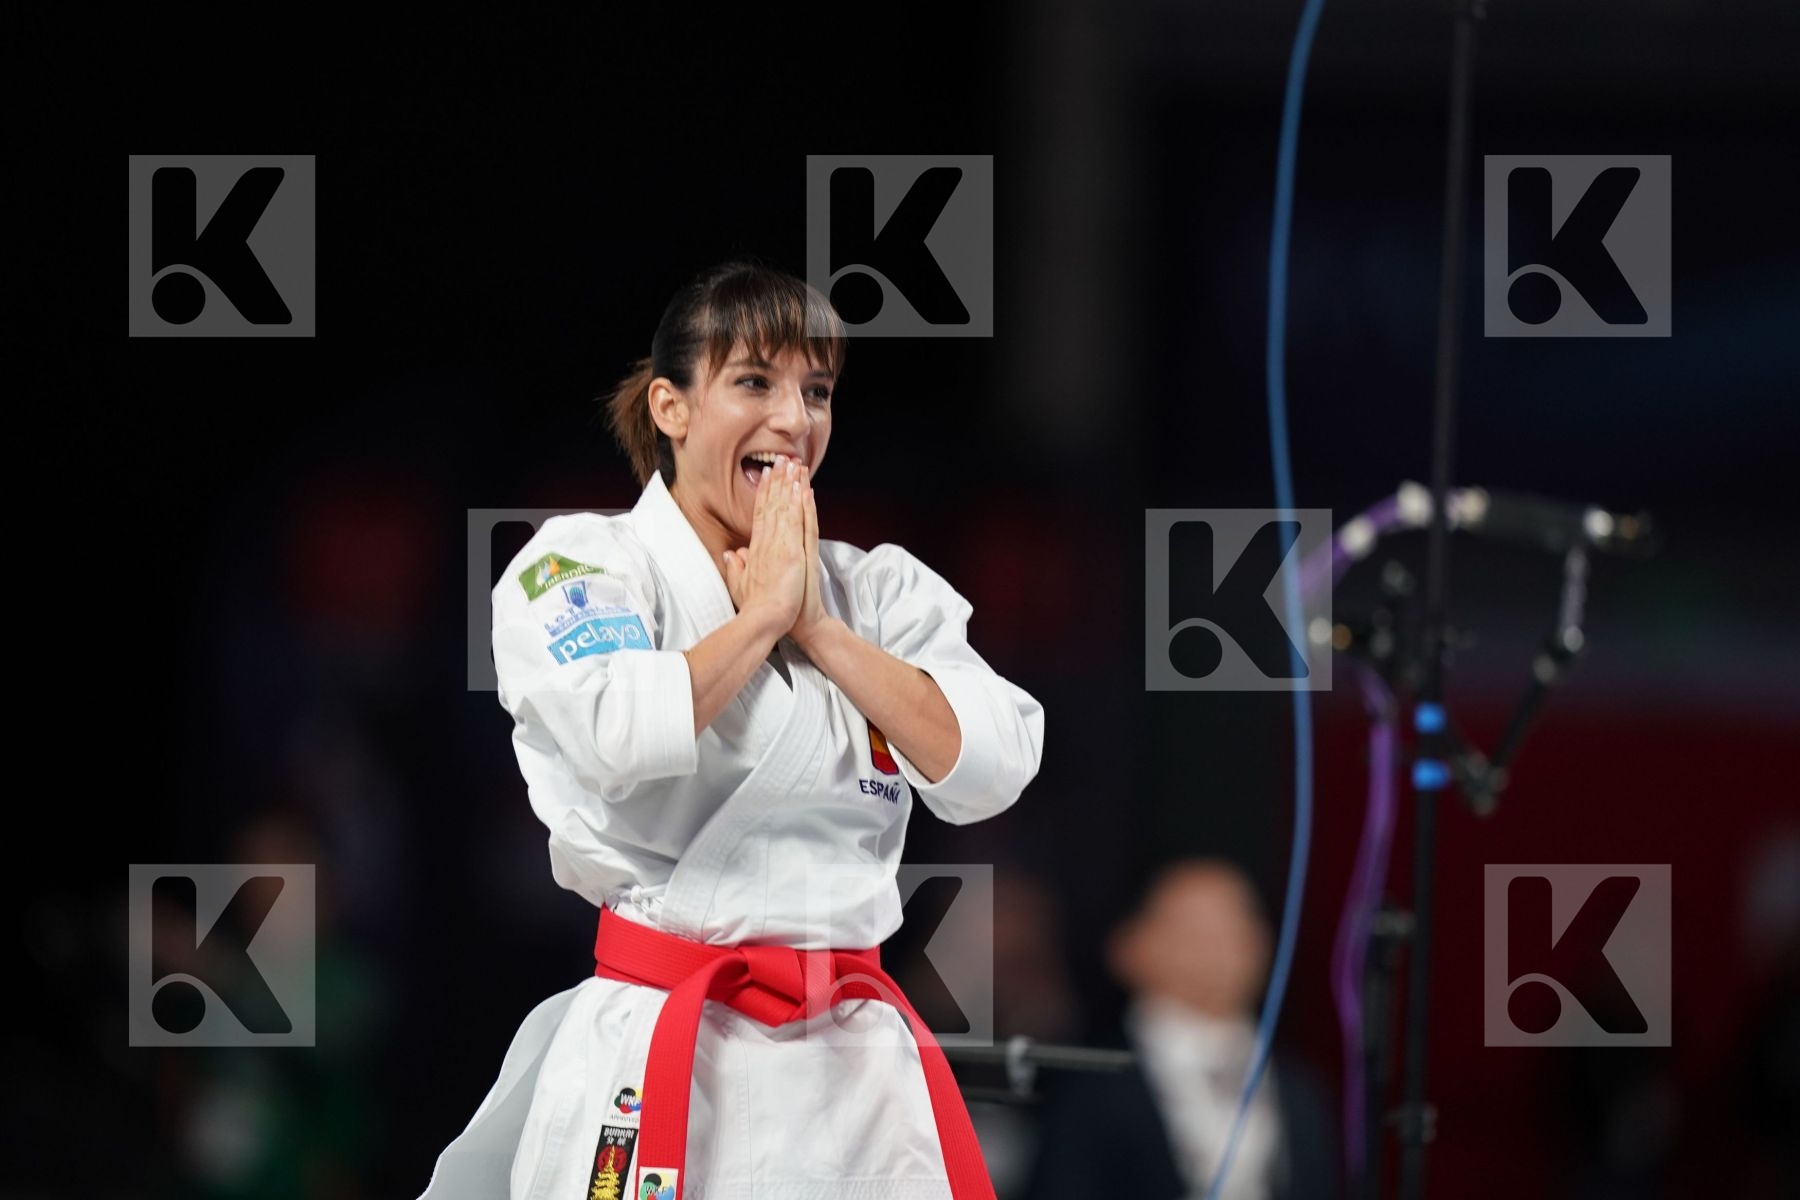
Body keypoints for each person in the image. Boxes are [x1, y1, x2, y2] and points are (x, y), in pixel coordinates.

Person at [416, 261, 1045, 1200]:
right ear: (671, 407)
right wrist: (757, 623)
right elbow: (618, 735)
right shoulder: (584, 566)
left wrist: (818, 629)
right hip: (665, 1049)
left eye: (817, 390)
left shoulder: (875, 591)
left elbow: (991, 765)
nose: (795, 419)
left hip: (856, 1074)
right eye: (755, 381)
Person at [1026, 859, 1336, 1200]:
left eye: (1238, 922)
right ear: (1130, 947)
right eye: (1194, 929)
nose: (1220, 946)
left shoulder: (1299, 1086)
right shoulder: (1088, 1085)